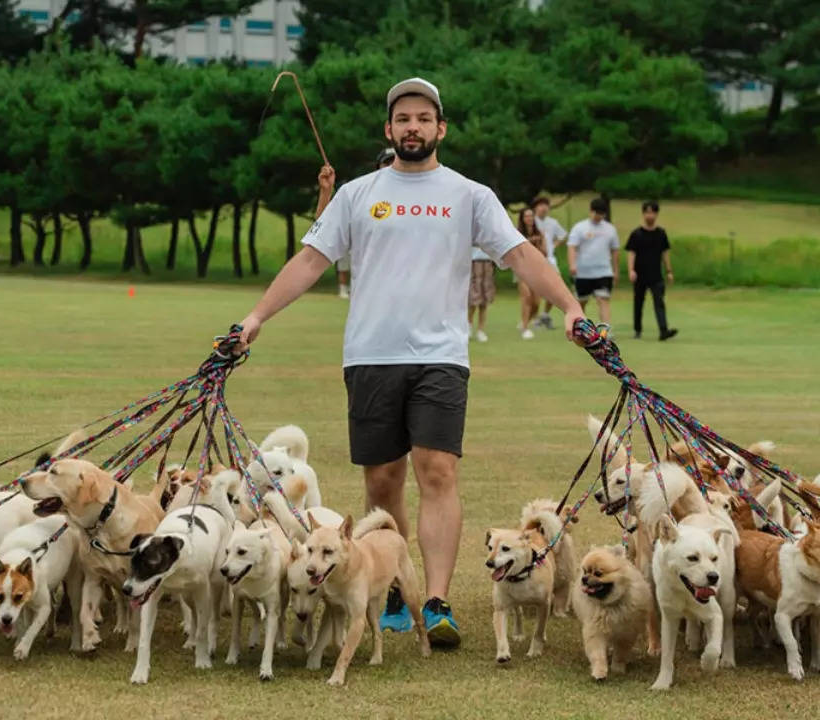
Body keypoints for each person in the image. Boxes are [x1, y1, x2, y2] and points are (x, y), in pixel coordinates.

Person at [234, 77, 584, 648]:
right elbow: (309, 260)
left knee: (438, 472)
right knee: (383, 479)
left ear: (440, 128)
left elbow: (520, 254)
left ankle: (439, 599)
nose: (413, 127)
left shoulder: (469, 194)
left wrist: (569, 306)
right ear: (389, 130)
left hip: (441, 357)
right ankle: (396, 585)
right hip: (370, 355)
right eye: (403, 119)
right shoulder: (356, 193)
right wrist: (255, 318)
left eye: (424, 118)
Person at [324, 148, 396, 300]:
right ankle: (344, 289)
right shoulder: (360, 193)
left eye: (394, 161)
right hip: (369, 295)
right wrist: (326, 192)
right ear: (378, 166)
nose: (391, 166)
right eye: (387, 162)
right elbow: (324, 228)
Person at [626, 201, 678, 341]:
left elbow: (665, 253)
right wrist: (631, 270)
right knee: (638, 302)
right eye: (647, 212)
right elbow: (631, 253)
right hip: (640, 274)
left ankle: (663, 330)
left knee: (659, 302)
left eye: (652, 212)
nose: (650, 215)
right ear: (643, 214)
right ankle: (637, 329)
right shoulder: (636, 234)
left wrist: (669, 271)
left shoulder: (661, 233)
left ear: (656, 214)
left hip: (656, 274)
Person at [567, 197, 620, 328]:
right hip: (583, 272)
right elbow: (572, 247)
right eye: (596, 213)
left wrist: (615, 270)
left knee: (603, 299)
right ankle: (581, 329)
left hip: (603, 271)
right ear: (591, 211)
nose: (598, 216)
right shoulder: (580, 228)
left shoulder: (610, 229)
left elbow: (615, 250)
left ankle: (605, 330)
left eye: (601, 214)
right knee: (581, 302)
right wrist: (572, 264)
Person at [532, 197, 568, 330]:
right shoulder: (531, 221)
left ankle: (545, 315)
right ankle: (532, 318)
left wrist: (554, 245)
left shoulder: (552, 222)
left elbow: (563, 235)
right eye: (541, 205)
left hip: (550, 259)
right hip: (533, 260)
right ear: (535, 207)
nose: (544, 208)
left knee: (555, 288)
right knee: (534, 292)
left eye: (546, 205)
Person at [514, 206, 545, 340]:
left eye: (531, 216)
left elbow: (545, 252)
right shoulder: (517, 233)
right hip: (522, 269)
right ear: (522, 218)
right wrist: (528, 243)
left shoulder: (539, 233)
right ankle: (525, 328)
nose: (529, 218)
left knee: (536, 302)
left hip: (537, 269)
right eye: (526, 216)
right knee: (526, 297)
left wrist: (538, 244)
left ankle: (526, 320)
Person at [467, 246, 495, 342]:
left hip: (487, 261)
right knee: (473, 300)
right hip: (474, 261)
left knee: (484, 300)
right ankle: (468, 327)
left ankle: (481, 331)